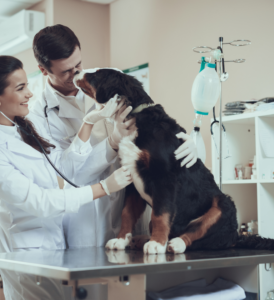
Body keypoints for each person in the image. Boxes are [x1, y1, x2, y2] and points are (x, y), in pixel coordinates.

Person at [31, 24, 198, 249]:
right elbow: (68, 173)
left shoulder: (107, 78)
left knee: (135, 279)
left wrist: (191, 141)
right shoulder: (39, 116)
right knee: (92, 280)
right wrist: (112, 142)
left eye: (78, 64)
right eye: (65, 72)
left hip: (130, 201)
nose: (75, 74)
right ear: (44, 70)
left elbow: (151, 117)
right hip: (85, 214)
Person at [0, 55, 132, 300]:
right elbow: (38, 201)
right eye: (20, 88)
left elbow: (63, 169)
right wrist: (104, 187)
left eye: (27, 85)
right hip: (23, 252)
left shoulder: (24, 126)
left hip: (54, 245)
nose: (30, 94)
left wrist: (89, 123)